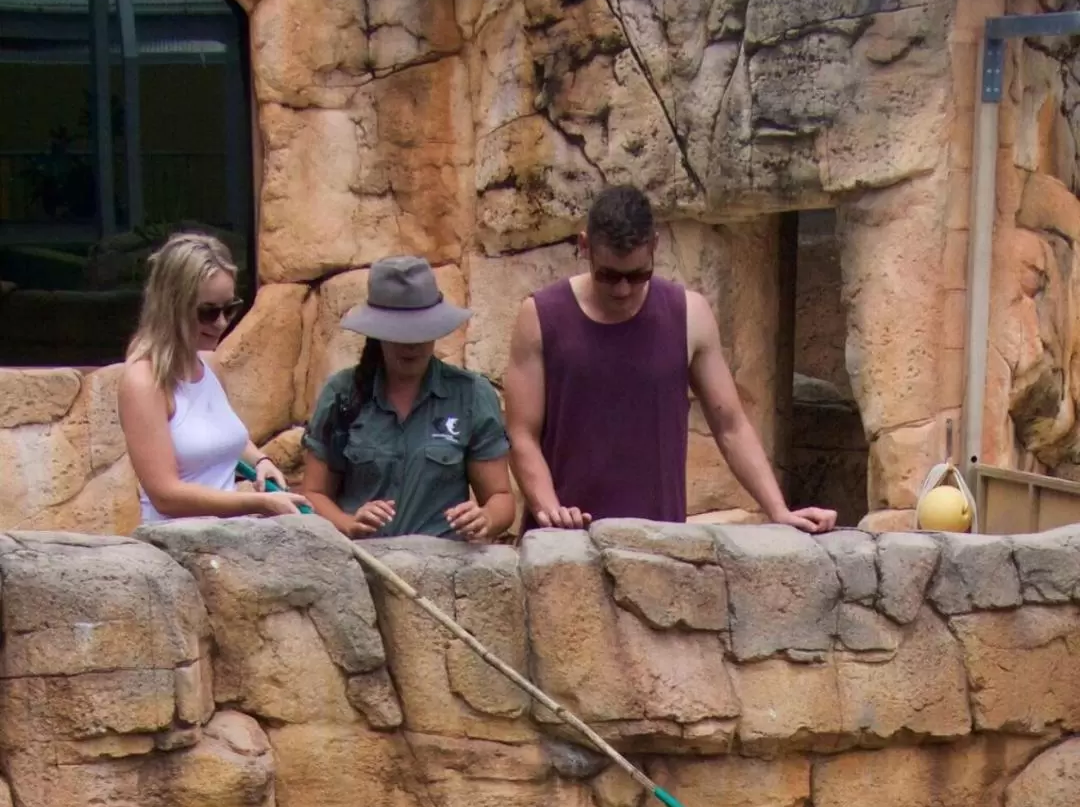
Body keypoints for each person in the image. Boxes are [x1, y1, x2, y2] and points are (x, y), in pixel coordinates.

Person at [504, 185, 837, 535]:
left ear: (655, 247)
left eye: (636, 275)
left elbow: (731, 425)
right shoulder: (541, 316)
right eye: (609, 275)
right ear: (584, 246)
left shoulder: (689, 314)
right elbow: (521, 434)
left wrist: (778, 510)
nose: (622, 289)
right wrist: (550, 509)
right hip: (564, 543)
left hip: (660, 545)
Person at [301, 256, 515, 543]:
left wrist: (484, 518)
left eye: (422, 331)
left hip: (444, 565)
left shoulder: (471, 395)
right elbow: (312, 495)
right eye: (400, 333)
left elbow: (501, 499)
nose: (412, 344)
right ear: (378, 334)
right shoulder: (342, 394)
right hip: (363, 564)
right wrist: (347, 523)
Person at [119, 232, 309, 523]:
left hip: (227, 538)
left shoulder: (209, 364)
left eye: (230, 309)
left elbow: (222, 435)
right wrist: (259, 502)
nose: (221, 323)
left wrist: (261, 460)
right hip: (176, 545)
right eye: (208, 312)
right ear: (173, 306)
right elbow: (165, 494)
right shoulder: (144, 381)